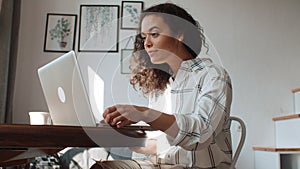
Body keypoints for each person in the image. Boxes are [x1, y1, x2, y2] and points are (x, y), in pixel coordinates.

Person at [91, 2, 233, 169]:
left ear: (179, 34)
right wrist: (123, 134)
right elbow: (164, 145)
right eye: (144, 37)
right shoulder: (163, 86)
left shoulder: (213, 75)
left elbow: (201, 135)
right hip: (161, 164)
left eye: (154, 34)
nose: (147, 44)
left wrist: (144, 113)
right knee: (101, 167)